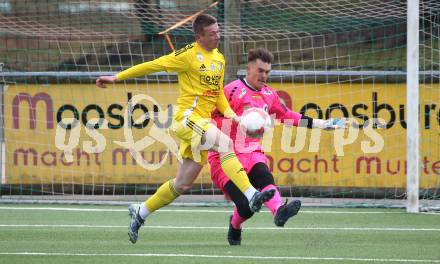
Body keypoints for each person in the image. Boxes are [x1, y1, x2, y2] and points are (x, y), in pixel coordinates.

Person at [95, 14, 275, 244]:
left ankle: (140, 212)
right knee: (225, 144)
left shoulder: (219, 58)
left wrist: (234, 117)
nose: (217, 36)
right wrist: (117, 77)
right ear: (199, 36)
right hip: (186, 119)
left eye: (219, 31)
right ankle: (251, 195)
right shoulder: (187, 56)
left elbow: (218, 93)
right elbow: (154, 65)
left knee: (182, 183)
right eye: (212, 33)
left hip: (202, 124)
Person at [208, 47, 347, 245]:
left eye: (267, 72)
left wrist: (322, 124)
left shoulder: (269, 94)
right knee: (246, 207)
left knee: (264, 176)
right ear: (248, 69)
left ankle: (279, 211)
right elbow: (209, 117)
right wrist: (238, 123)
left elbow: (289, 116)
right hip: (224, 156)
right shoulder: (231, 91)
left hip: (251, 151)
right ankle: (235, 225)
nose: (264, 75)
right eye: (260, 71)